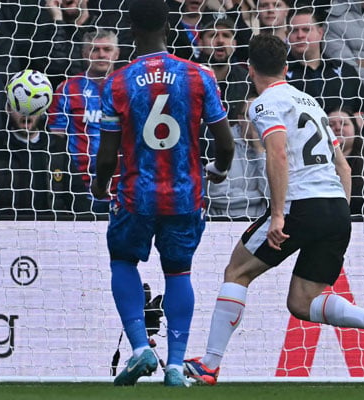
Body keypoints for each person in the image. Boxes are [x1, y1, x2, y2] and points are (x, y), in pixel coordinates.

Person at [183, 34, 364, 385]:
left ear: (250, 69)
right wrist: (338, 214)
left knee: (237, 271)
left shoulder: (263, 103)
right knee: (303, 302)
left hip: (302, 203)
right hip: (336, 208)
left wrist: (278, 215)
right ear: (287, 68)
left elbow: (278, 154)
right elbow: (344, 168)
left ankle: (210, 363)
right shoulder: (312, 103)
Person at [90, 0, 235, 387]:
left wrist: (100, 186)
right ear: (169, 26)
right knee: (178, 272)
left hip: (137, 194)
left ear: (131, 30)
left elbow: (106, 156)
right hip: (185, 195)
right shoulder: (198, 75)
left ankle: (139, 348)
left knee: (123, 260)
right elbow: (226, 144)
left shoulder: (117, 82)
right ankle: (174, 365)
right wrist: (218, 172)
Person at [47, 29, 121, 215]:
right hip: (80, 187)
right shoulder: (68, 89)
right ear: (84, 53)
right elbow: (56, 141)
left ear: (117, 53)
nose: (101, 54)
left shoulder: (127, 86)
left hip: (123, 186)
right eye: (95, 49)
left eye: (107, 49)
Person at [0, 105, 68, 217]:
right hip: (6, 228)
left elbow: (77, 197)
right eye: (19, 107)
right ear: (8, 109)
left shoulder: (57, 147)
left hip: (50, 228)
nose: (26, 114)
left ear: (42, 111)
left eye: (33, 106)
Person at [286, 7, 364, 116]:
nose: (300, 35)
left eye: (306, 30)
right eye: (294, 30)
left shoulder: (346, 71)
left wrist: (358, 120)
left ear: (320, 33)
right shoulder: (278, 74)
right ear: (287, 35)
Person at [206, 93, 269, 219]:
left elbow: (273, 196)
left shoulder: (273, 145)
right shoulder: (222, 142)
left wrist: (259, 150)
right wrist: (259, 196)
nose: (257, 122)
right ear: (240, 119)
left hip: (259, 224)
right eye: (251, 116)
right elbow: (216, 195)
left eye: (262, 116)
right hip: (221, 223)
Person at [193, 16, 251, 120]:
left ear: (234, 44)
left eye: (226, 35)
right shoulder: (188, 77)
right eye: (213, 35)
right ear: (200, 44)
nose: (220, 41)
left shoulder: (246, 80)